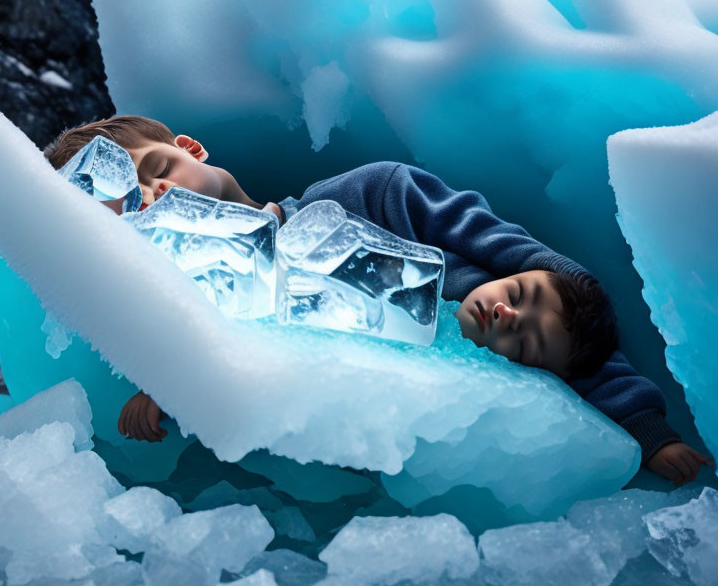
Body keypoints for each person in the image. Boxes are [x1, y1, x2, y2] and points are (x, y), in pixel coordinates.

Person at [43, 115, 714, 485]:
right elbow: (212, 354)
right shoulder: (209, 301)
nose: (156, 195)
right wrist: (164, 384)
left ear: (188, 147)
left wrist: (646, 429)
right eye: (129, 203)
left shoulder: (375, 194)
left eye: (158, 171)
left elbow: (563, 303)